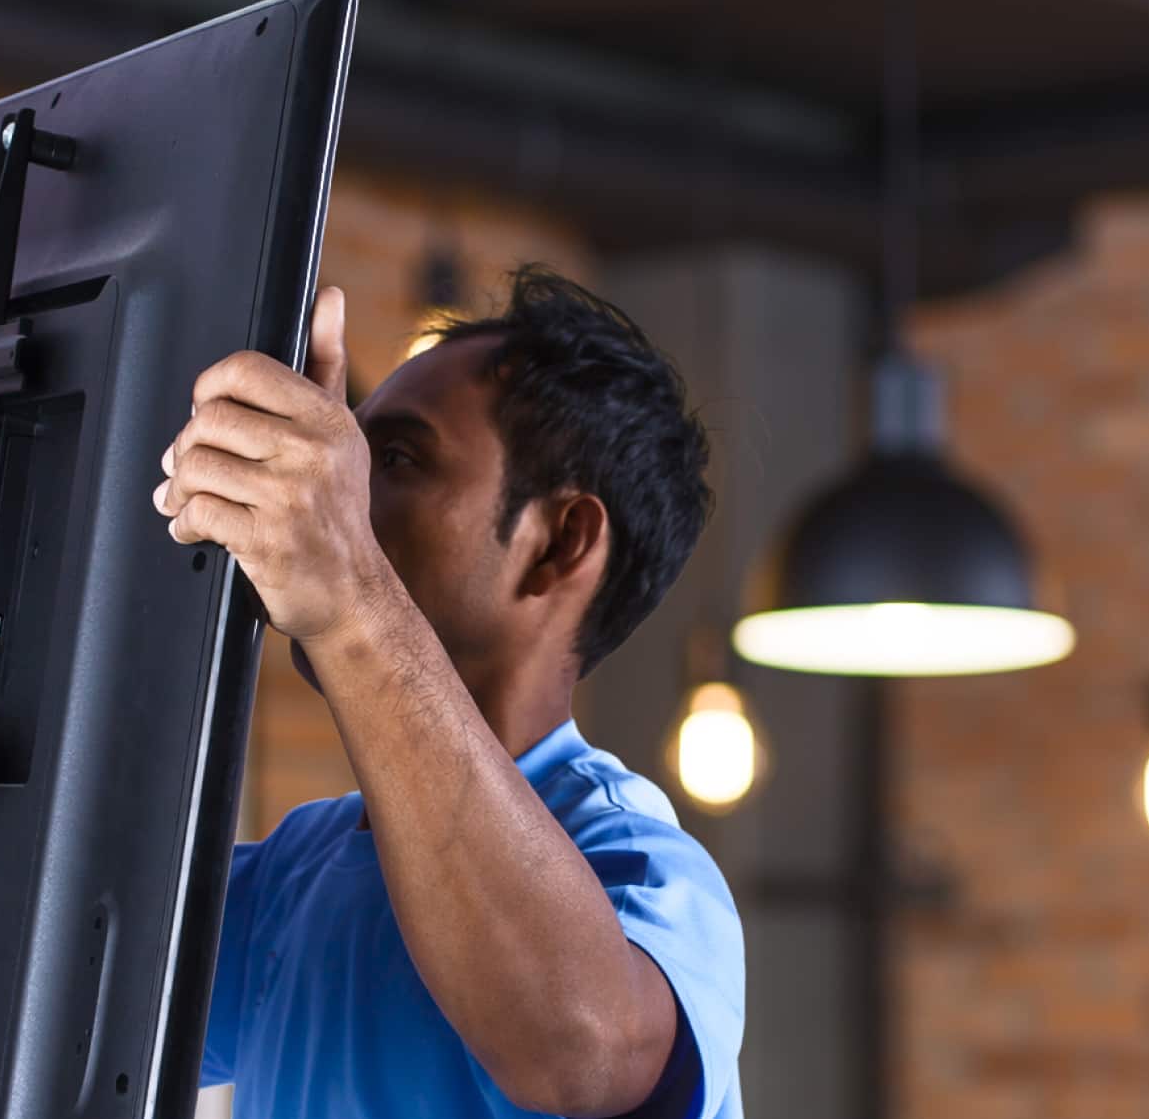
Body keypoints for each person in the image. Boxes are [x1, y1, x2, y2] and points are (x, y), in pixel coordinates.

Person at [154, 266, 742, 1118]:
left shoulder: (639, 863)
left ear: (560, 544)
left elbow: (580, 1057)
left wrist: (349, 591)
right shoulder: (294, 873)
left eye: (395, 459)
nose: (346, 499)